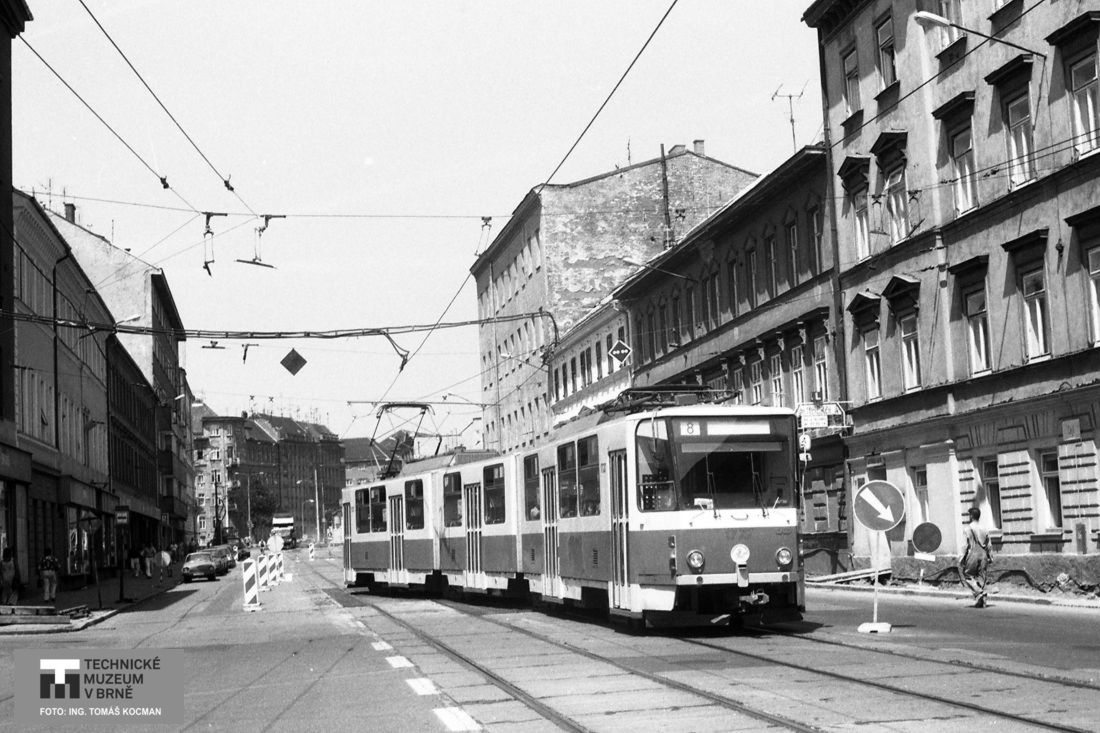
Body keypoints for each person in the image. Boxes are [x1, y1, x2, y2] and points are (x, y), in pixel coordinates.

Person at [960, 506, 993, 607]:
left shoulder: (967, 528)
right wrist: (990, 556)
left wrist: (961, 558)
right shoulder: (985, 528)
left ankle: (979, 592)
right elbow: (989, 544)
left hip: (973, 553)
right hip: (983, 554)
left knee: (968, 575)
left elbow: (965, 545)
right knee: (982, 576)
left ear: (971, 516)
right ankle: (982, 601)